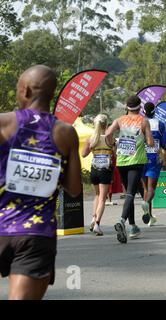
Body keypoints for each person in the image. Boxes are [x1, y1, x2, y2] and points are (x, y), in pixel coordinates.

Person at [0, 65, 82, 300]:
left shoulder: (4, 123)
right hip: (36, 234)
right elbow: (75, 189)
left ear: (24, 91)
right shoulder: (65, 133)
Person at [106, 96, 154, 244]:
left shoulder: (119, 120)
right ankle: (121, 221)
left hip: (121, 161)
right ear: (140, 108)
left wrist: (112, 144)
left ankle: (133, 227)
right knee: (131, 193)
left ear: (126, 107)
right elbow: (151, 143)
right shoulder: (143, 121)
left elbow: (107, 134)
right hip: (136, 161)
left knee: (129, 193)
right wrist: (146, 139)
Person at [82, 114, 114, 236]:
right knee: (102, 198)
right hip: (105, 170)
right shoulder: (109, 138)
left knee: (97, 195)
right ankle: (97, 224)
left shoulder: (91, 139)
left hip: (94, 170)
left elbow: (83, 154)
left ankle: (93, 218)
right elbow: (116, 153)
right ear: (106, 125)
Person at [141, 102, 166, 227]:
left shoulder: (139, 123)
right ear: (154, 111)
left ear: (144, 111)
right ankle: (146, 204)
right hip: (154, 158)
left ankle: (150, 216)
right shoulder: (160, 124)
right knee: (151, 188)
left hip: (141, 158)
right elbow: (163, 144)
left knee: (146, 188)